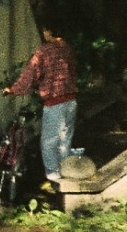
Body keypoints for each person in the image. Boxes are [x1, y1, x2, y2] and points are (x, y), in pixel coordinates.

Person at [5, 24, 77, 183]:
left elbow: (29, 75)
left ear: (50, 31)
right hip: (71, 101)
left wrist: (13, 89)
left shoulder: (44, 51)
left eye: (45, 29)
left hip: (55, 103)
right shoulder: (67, 48)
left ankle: (53, 179)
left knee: (48, 142)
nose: (43, 33)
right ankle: (65, 174)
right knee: (64, 142)